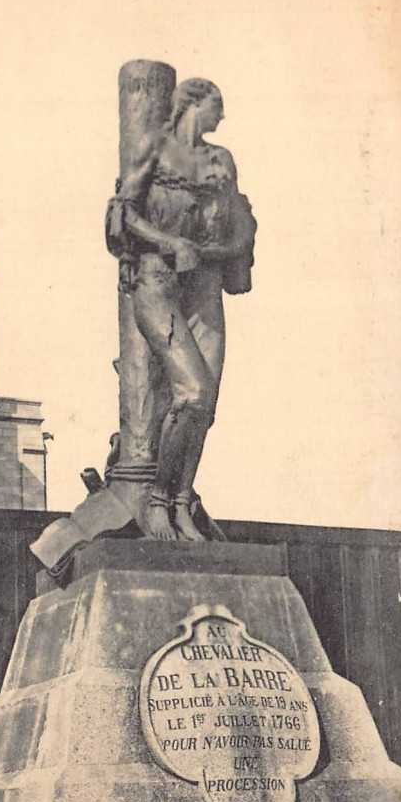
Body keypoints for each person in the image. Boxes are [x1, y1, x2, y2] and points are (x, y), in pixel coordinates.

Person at [106, 78, 256, 541]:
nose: (222, 116)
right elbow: (122, 212)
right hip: (157, 281)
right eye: (217, 105)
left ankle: (180, 503)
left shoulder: (221, 161)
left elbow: (238, 223)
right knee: (190, 391)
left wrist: (228, 245)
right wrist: (170, 242)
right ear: (192, 103)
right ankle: (155, 502)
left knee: (204, 404)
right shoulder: (155, 148)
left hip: (205, 285)